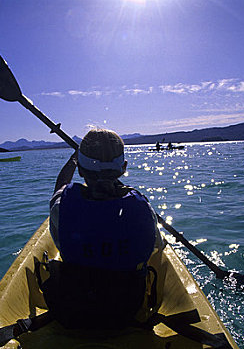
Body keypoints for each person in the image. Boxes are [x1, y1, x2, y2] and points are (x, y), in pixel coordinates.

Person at [43, 128, 165, 329]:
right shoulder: (144, 209)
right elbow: (157, 248)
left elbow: (60, 188)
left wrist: (74, 159)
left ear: (81, 170)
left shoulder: (60, 208)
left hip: (75, 310)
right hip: (126, 310)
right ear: (123, 168)